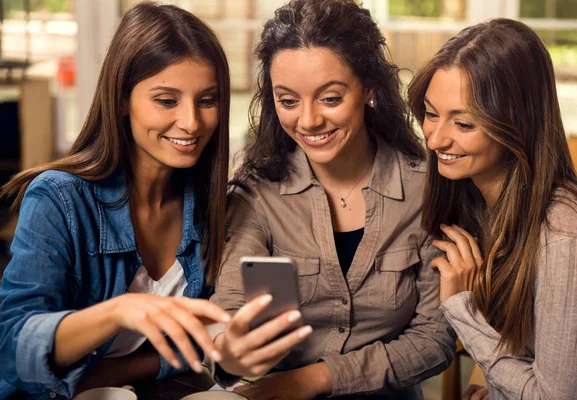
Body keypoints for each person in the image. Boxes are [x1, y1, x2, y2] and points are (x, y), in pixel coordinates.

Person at [0, 3, 309, 399]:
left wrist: (223, 353)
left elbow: (209, 346)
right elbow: (13, 348)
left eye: (207, 100)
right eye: (167, 101)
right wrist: (118, 311)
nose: (192, 122)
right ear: (122, 100)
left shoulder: (215, 207)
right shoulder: (58, 199)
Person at [209, 1, 456, 399]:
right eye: (288, 101)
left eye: (330, 98)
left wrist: (308, 380)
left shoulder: (427, 191)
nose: (308, 121)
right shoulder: (257, 194)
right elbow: (231, 310)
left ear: (368, 88)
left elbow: (434, 340)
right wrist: (230, 352)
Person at [407, 18, 577, 400]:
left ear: (517, 124)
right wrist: (494, 385)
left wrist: (462, 308)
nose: (435, 139)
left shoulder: (566, 226)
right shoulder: (477, 200)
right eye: (431, 113)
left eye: (463, 123)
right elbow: (520, 348)